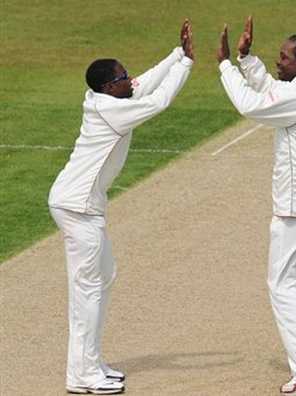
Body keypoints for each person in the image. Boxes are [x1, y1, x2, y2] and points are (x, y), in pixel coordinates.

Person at [48, 20, 194, 394]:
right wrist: (187, 65)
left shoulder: (110, 97)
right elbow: (159, 100)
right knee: (88, 290)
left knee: (102, 279)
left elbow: (144, 83)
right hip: (77, 207)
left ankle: (90, 363)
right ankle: (81, 376)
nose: (131, 80)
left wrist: (177, 53)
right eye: (124, 77)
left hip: (84, 205)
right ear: (110, 87)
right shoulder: (113, 111)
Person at [216, 17, 296, 396]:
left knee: (283, 283)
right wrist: (248, 60)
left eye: (284, 57)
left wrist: (225, 64)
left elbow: (252, 105)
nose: (279, 62)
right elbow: (273, 89)